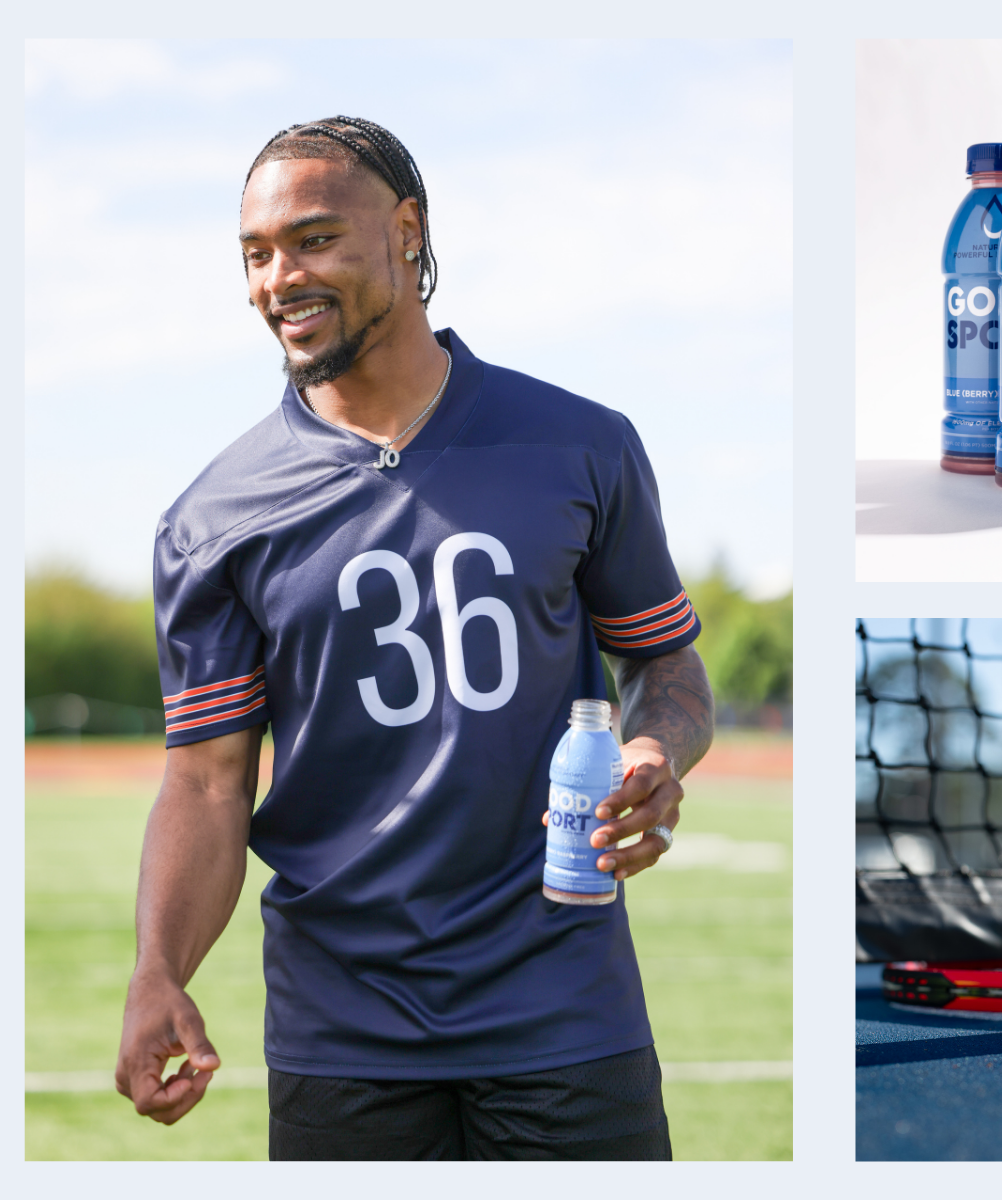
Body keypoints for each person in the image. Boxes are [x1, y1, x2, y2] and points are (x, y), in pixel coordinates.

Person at [113, 116, 714, 1160]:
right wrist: (158, 969)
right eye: (255, 255)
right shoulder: (210, 518)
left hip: (564, 1009)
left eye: (312, 241)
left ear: (405, 229)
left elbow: (663, 662)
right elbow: (208, 783)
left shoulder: (581, 443)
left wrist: (655, 752)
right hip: (342, 1034)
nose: (277, 279)